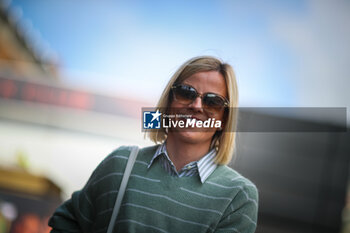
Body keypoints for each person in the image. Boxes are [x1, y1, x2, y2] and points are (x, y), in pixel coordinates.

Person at [49, 56, 259, 233]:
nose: (196, 106)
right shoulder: (120, 164)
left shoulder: (238, 196)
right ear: (168, 103)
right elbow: (66, 223)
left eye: (212, 101)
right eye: (186, 92)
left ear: (224, 119)